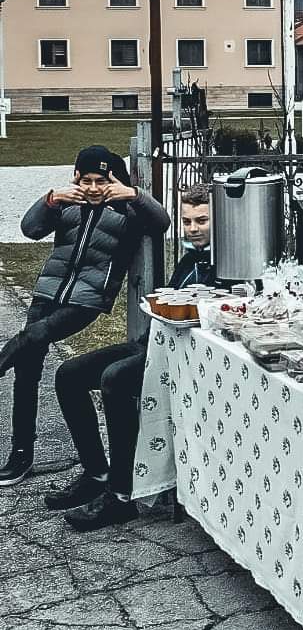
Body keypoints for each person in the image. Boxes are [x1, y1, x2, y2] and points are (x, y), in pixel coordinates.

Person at [0, 146, 170, 487]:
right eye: (87, 180)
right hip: (47, 294)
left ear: (114, 180)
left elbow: (161, 222)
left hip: (85, 302)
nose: (93, 188)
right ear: (77, 178)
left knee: (33, 337)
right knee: (27, 367)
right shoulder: (68, 204)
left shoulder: (127, 211)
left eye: (101, 181)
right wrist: (51, 199)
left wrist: (133, 194)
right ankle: (21, 454)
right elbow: (30, 229)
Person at [47, 185, 214, 532]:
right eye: (187, 221)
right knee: (69, 374)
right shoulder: (189, 258)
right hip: (152, 343)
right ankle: (96, 472)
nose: (193, 229)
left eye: (201, 221)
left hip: (182, 357)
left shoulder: (224, 261)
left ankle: (121, 495)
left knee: (116, 378)